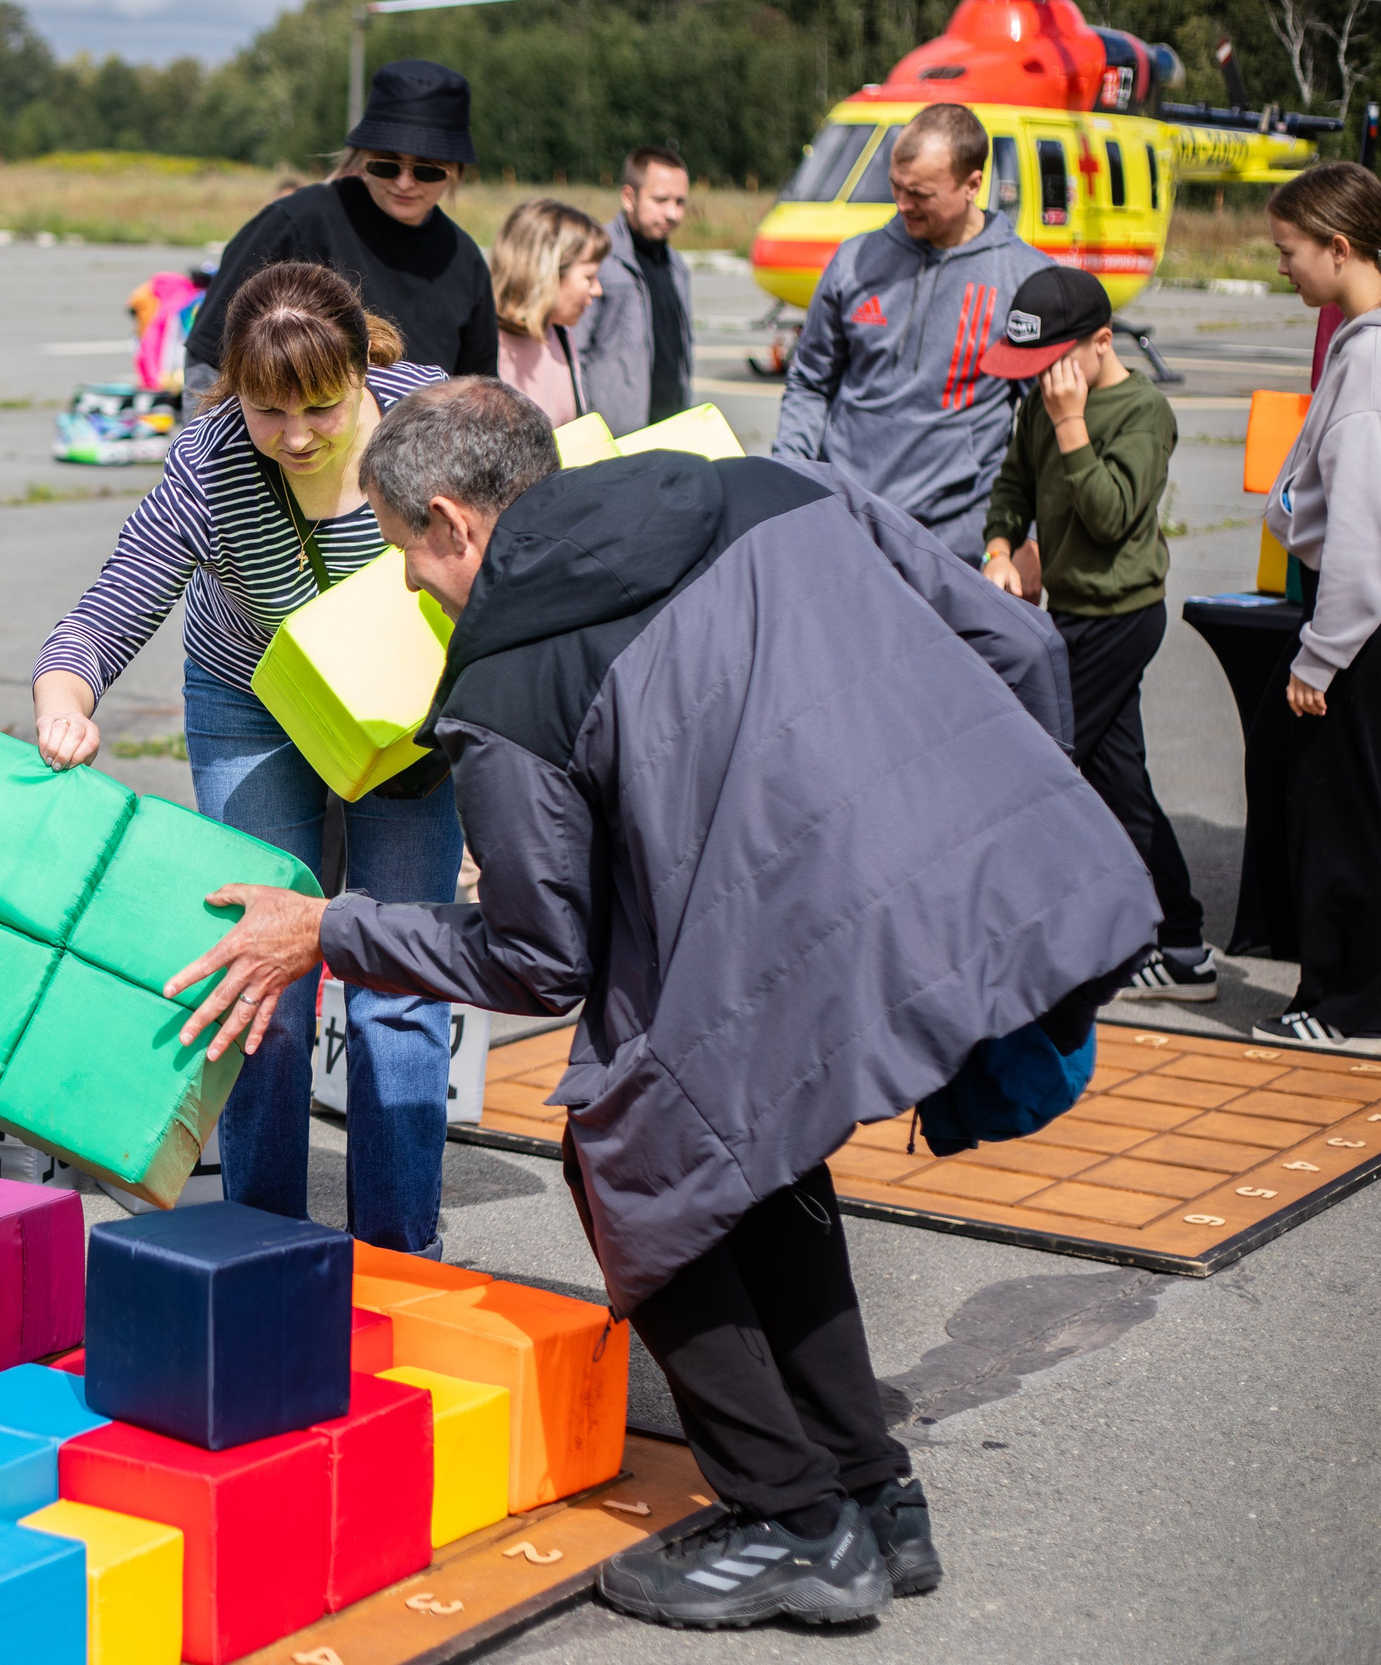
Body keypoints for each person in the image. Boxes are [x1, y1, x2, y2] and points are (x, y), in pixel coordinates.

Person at [166, 378, 1158, 1630]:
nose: (414, 589)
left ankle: (794, 1520)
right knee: (750, 1144)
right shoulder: (774, 487)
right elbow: (1020, 647)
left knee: (632, 1161)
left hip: (788, 938)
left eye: (408, 555)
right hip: (991, 883)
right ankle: (871, 1488)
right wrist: (988, 811)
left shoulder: (505, 682)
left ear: (455, 522)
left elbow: (536, 960)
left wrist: (327, 929)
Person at [33, 261, 462, 1255]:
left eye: (321, 407)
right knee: (261, 974)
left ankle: (401, 1256)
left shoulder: (432, 424)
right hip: (253, 698)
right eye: (269, 410)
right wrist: (64, 698)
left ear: (361, 373)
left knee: (400, 977)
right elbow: (113, 602)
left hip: (403, 715)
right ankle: (263, 1248)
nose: (297, 436)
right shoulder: (211, 459)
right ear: (234, 390)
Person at [980, 266, 1213, 1001]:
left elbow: (1111, 515)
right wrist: (1000, 547)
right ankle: (1182, 946)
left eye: (1049, 364)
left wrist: (1072, 424)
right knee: (1119, 781)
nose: (1040, 383)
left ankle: (1041, 932)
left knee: (1037, 764)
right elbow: (1014, 483)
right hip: (1069, 613)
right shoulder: (1042, 404)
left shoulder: (1141, 411)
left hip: (1121, 618)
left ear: (1101, 342)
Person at [774, 104, 1052, 559]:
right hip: (845, 526)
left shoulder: (1025, 279)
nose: (902, 204)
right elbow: (809, 382)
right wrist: (787, 479)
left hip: (958, 544)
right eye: (896, 186)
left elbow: (1049, 422)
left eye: (920, 193)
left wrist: (1032, 538)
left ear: (972, 185)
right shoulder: (854, 261)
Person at [1251, 161, 1381, 1053]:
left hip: (1357, 632)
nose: (1281, 267)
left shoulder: (1367, 361)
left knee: (1338, 813)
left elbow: (1361, 540)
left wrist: (1321, 655)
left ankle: (1344, 1005)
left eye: (1289, 250)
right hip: (1355, 623)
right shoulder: (1358, 341)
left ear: (1340, 247)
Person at [180, 60, 496, 419]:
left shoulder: (464, 259)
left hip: (421, 452)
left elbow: (478, 395)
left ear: (456, 170)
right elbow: (210, 359)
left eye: (426, 170)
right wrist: (211, 449)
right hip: (292, 448)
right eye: (386, 165)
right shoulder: (297, 223)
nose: (404, 182)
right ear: (362, 157)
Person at [567, 146, 693, 435]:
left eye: (680, 202)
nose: (672, 213)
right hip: (615, 441)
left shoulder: (677, 266)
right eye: (660, 200)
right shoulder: (597, 259)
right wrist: (588, 431)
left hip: (672, 432)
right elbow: (574, 352)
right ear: (628, 197)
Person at [490, 198, 607, 425]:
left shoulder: (560, 335)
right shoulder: (486, 345)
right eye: (589, 277)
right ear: (547, 273)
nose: (598, 290)